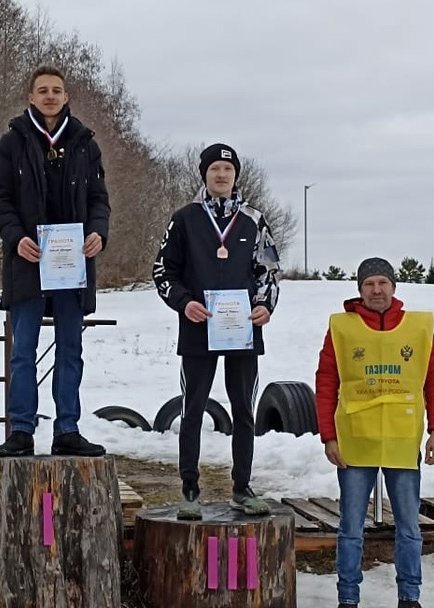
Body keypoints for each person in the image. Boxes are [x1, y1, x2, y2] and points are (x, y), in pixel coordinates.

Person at [0, 65, 110, 457]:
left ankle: (67, 428)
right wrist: (16, 237)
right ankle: (21, 429)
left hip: (73, 265)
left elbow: (99, 199)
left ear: (67, 96)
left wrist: (98, 232)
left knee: (70, 348)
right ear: (31, 97)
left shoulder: (85, 143)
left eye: (57, 90)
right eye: (43, 90)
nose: (50, 96)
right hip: (28, 261)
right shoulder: (12, 142)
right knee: (23, 349)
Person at [153, 143, 281, 520]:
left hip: (242, 331)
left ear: (236, 175)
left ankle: (242, 487)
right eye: (214, 170)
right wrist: (183, 302)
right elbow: (163, 272)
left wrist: (264, 306)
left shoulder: (254, 219)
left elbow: (268, 272)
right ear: (205, 176)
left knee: (243, 410)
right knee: (192, 410)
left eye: (227, 169)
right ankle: (189, 489)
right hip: (198, 327)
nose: (221, 175)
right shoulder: (184, 219)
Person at [315, 257, 434, 608]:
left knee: (409, 527)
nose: (376, 290)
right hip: (354, 442)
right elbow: (327, 381)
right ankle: (348, 598)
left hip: (403, 442)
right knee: (350, 528)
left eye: (382, 283)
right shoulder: (341, 328)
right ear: (360, 289)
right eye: (369, 284)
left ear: (393, 286)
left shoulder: (418, 328)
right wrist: (328, 435)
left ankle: (409, 597)